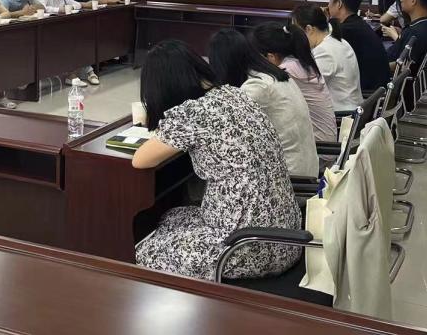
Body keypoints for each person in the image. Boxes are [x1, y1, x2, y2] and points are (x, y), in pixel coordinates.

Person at [132, 39, 301, 281]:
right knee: (170, 218)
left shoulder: (195, 112)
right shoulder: (234, 93)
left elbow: (140, 160)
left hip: (247, 246)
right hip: (283, 235)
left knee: (145, 250)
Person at [208, 28, 318, 179]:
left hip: (291, 179)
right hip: (304, 169)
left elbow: (221, 122)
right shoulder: (274, 75)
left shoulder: (257, 86)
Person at [249, 22, 337, 142]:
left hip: (319, 145)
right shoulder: (300, 63)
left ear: (271, 57)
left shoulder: (287, 71)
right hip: (325, 138)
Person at [291, 4, 363, 113]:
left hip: (341, 115)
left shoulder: (324, 51)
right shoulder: (339, 41)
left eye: (296, 32)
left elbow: (308, 89)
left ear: (309, 29)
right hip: (352, 109)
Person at [328, 0, 391, 95]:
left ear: (339, 4)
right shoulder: (359, 24)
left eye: (330, 1)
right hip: (378, 91)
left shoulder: (345, 31)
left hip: (367, 95)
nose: (328, 5)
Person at [38, 0, 99, 85]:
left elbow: (76, 4)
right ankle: (77, 75)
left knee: (81, 41)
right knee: (72, 43)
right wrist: (58, 9)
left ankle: (85, 72)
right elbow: (41, 8)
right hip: (45, 31)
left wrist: (71, 7)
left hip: (59, 29)